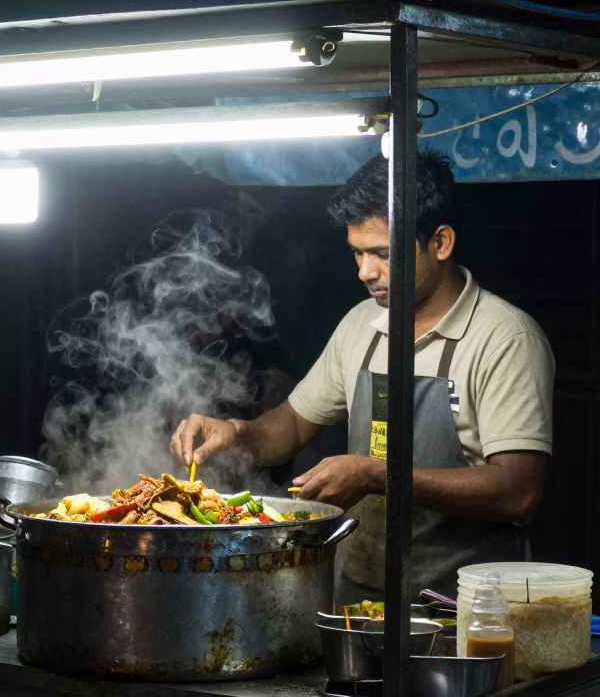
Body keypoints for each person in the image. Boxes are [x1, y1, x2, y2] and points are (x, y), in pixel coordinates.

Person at [170, 150, 554, 602]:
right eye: (357, 252)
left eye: (382, 254)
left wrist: (379, 476)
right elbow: (293, 424)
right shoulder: (361, 324)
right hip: (359, 603)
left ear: (441, 242)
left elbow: (518, 491)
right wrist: (235, 433)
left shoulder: (504, 338)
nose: (364, 272)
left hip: (465, 615)